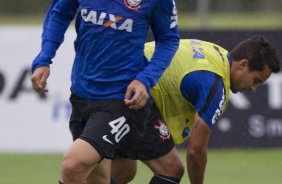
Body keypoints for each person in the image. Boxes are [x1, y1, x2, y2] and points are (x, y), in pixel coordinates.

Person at [30, 0, 180, 183]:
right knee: (100, 179)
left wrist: (145, 80)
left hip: (122, 99)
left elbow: (168, 40)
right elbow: (60, 13)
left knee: (73, 165)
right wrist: (44, 58)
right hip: (82, 95)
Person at [110, 35, 280, 184]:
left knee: (123, 172)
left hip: (116, 72)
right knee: (171, 170)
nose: (253, 89)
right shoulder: (214, 83)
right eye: (256, 80)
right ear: (243, 65)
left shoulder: (216, 53)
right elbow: (195, 151)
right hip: (132, 87)